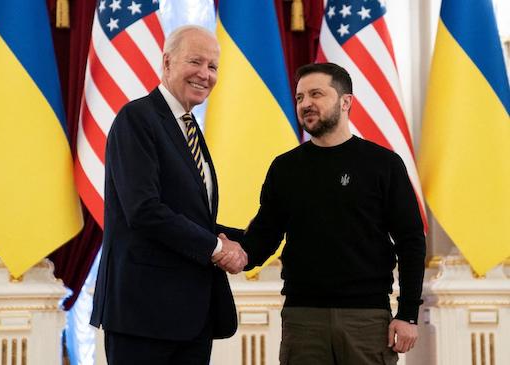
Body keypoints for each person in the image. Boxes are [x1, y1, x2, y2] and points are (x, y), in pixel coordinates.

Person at [240, 63, 426, 365]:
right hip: (302, 320)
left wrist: (408, 314)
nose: (305, 104)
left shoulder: (384, 164)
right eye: (300, 98)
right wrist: (229, 250)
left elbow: (411, 242)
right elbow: (265, 235)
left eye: (316, 94)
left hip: (367, 319)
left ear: (345, 101)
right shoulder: (285, 168)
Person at [90, 25, 247, 365]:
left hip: (190, 318)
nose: (205, 74)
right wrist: (219, 249)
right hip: (144, 316)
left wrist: (251, 240)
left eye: (213, 66)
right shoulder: (137, 118)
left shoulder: (188, 127)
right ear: (167, 62)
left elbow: (191, 217)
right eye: (196, 61)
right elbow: (145, 210)